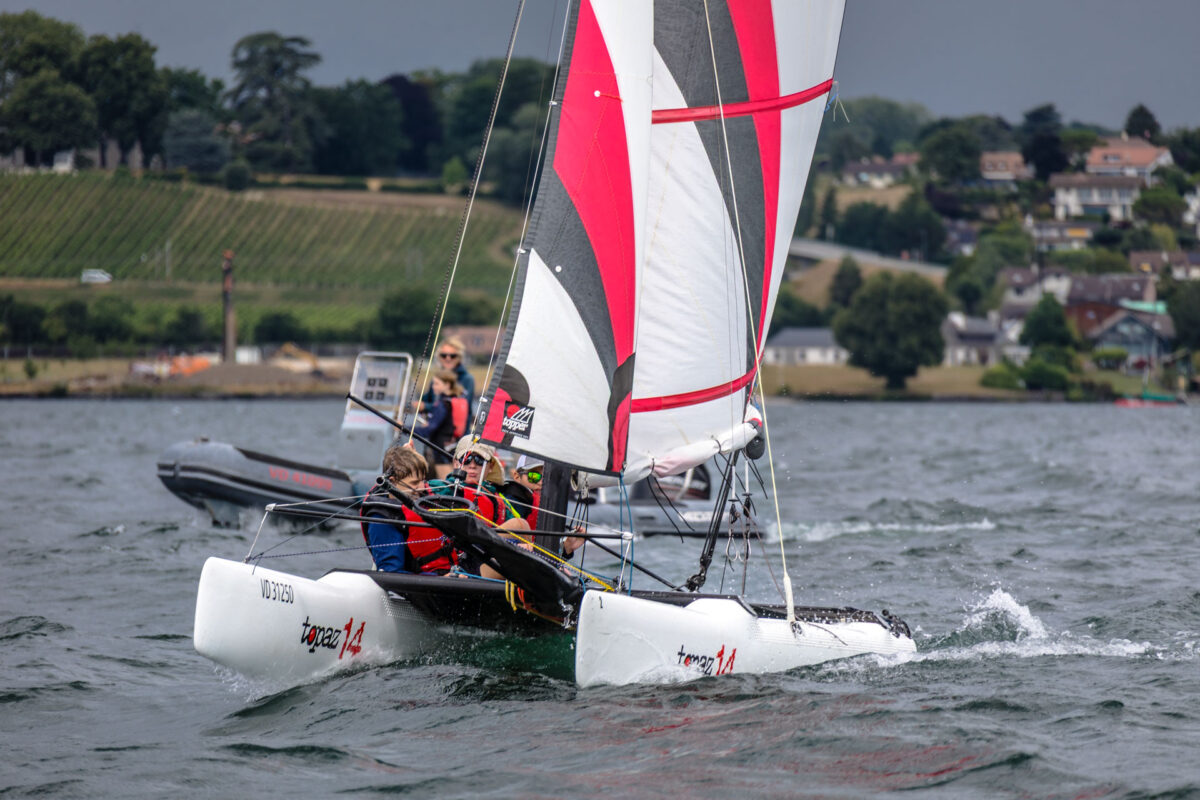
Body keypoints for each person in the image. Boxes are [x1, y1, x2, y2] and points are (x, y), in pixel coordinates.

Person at [359, 444, 459, 574]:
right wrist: (443, 580)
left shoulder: (419, 495)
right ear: (392, 482)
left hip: (454, 569)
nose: (422, 487)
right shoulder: (382, 518)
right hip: (429, 582)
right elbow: (392, 574)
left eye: (423, 480)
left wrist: (410, 458)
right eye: (414, 483)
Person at [413, 370, 467, 478]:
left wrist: (404, 428)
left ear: (447, 385)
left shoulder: (442, 405)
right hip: (451, 447)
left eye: (437, 384)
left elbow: (429, 430)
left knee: (446, 483)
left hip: (441, 450)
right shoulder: (456, 400)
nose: (433, 387)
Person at [422, 337, 475, 420]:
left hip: (455, 431)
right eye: (444, 355)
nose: (448, 358)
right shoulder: (436, 379)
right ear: (439, 357)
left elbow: (460, 407)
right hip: (434, 429)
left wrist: (425, 407)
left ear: (459, 358)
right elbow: (426, 399)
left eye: (452, 356)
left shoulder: (467, 379)